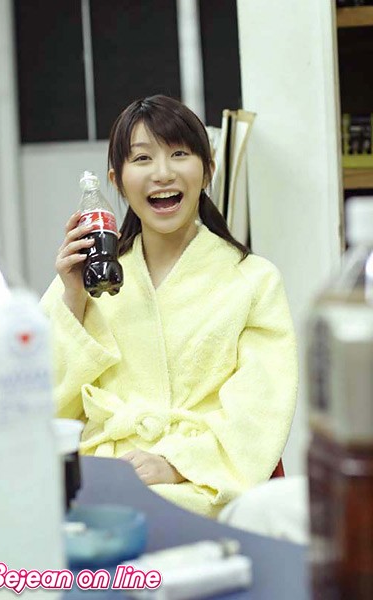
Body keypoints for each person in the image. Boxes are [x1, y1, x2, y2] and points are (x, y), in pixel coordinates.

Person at [41, 95, 298, 518]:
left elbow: (260, 413)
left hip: (203, 485)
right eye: (142, 158)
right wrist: (73, 297)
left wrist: (176, 463)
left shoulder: (254, 280)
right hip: (101, 485)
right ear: (117, 180)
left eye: (179, 154)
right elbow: (42, 410)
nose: (162, 173)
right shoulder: (85, 280)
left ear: (208, 170)